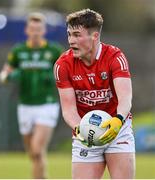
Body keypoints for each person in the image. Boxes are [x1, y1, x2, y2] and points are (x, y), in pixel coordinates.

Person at [54, 9, 135, 179]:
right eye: (69, 35)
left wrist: (118, 121)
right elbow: (68, 109)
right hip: (85, 132)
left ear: (95, 36)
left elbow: (125, 99)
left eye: (77, 35)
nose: (71, 41)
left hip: (117, 128)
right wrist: (80, 129)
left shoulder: (115, 57)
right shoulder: (63, 65)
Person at [0, 12, 63, 179]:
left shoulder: (54, 50)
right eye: (32, 29)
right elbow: (4, 74)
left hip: (47, 105)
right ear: (27, 30)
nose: (35, 32)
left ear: (44, 31)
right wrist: (9, 76)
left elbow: (67, 72)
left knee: (36, 148)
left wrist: (54, 75)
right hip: (25, 105)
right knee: (34, 154)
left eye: (39, 29)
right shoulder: (18, 51)